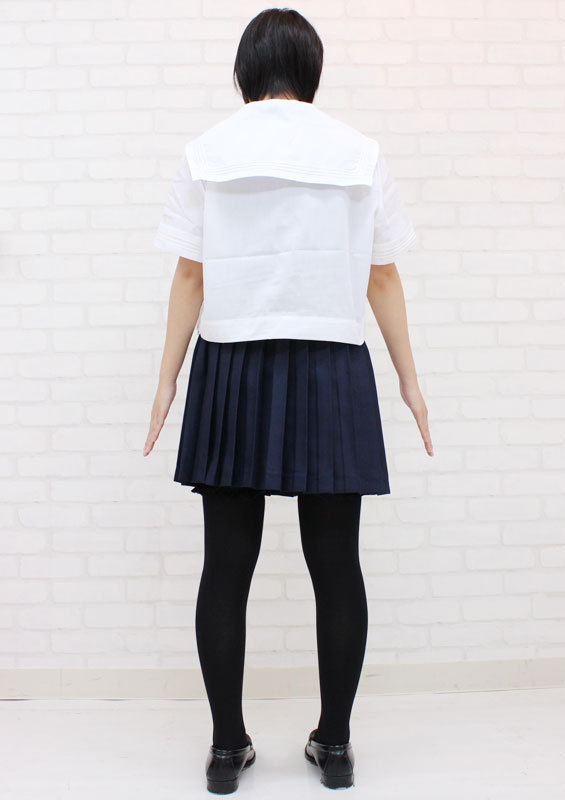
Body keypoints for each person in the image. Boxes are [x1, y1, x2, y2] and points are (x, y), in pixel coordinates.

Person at [144, 7, 433, 794]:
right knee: (337, 566)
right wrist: (408, 380)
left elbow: (190, 276)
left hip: (231, 363)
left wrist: (167, 381)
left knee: (224, 566)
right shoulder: (357, 151)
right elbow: (381, 277)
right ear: (310, 69)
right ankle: (334, 746)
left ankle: (225, 748)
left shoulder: (208, 149)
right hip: (331, 366)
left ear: (246, 70)